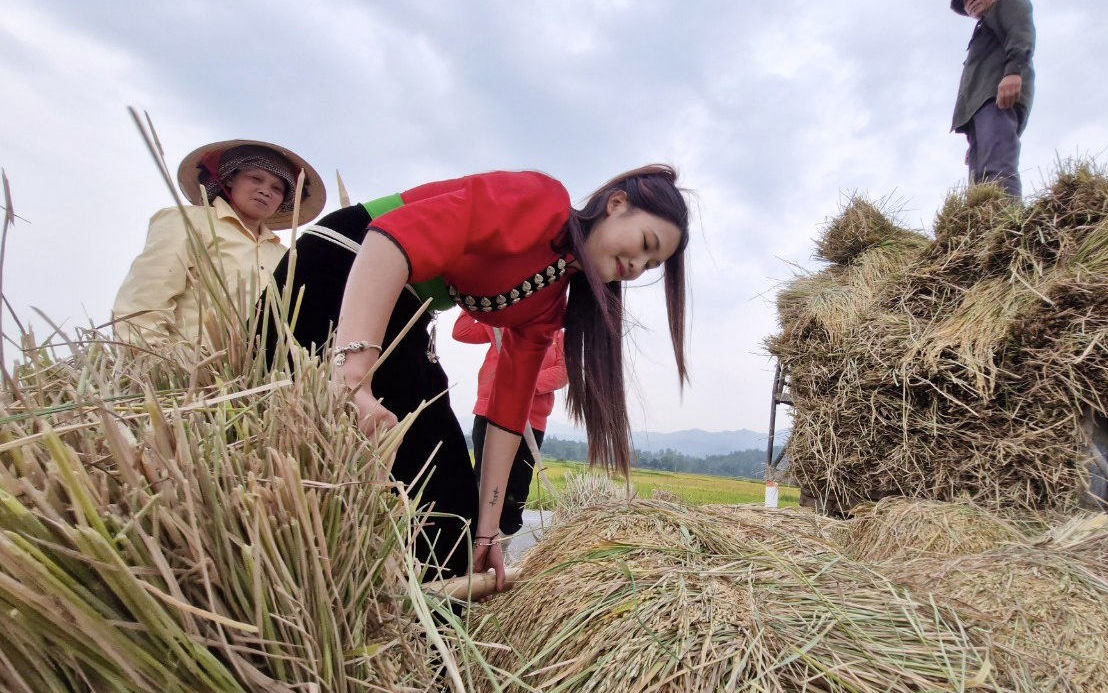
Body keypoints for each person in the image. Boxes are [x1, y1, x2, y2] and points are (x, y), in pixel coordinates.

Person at [269, 166, 690, 586]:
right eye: (645, 244)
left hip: (405, 310)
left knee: (453, 511)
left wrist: (487, 529)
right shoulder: (540, 201)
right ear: (616, 205)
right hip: (341, 267)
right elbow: (390, 237)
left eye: (651, 264)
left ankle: (418, 624)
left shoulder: (550, 303)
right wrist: (353, 381)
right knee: (417, 484)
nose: (636, 266)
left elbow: (509, 411)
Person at [113, 139, 325, 345]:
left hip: (256, 377)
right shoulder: (188, 222)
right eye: (255, 178)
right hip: (187, 367)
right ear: (230, 179)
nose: (265, 191)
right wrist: (154, 367)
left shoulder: (285, 256)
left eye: (277, 189)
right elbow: (144, 300)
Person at [453, 315, 567, 539]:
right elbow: (461, 332)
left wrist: (523, 381)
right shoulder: (498, 321)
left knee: (517, 483)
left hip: (531, 419)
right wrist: (474, 294)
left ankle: (503, 540)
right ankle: (473, 536)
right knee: (482, 477)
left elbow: (563, 372)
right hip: (490, 409)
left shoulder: (557, 336)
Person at [949, 0, 1035, 199]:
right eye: (966, 0)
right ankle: (984, 229)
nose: (971, 1)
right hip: (982, 107)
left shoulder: (1008, 1)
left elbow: (1020, 33)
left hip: (997, 98)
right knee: (979, 180)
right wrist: (974, 141)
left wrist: (1012, 72)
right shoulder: (984, 26)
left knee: (997, 169)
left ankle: (1007, 226)